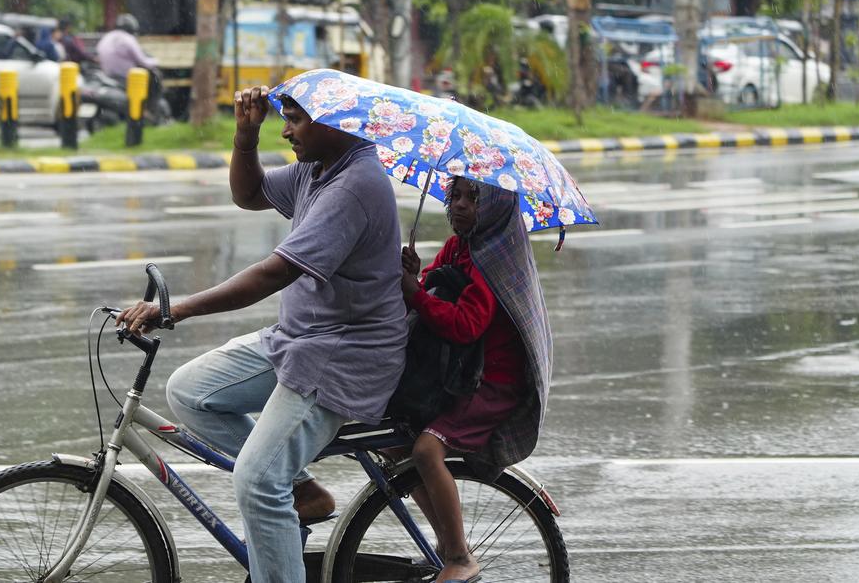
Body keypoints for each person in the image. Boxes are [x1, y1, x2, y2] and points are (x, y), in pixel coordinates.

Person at [117, 86, 408, 583]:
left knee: (256, 479)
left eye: (295, 120)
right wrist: (245, 138)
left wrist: (175, 310)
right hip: (298, 338)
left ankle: (280, 494)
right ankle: (301, 491)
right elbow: (249, 195)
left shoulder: (352, 186)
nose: (286, 130)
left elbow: (272, 275)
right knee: (191, 392)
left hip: (340, 355)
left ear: (334, 124)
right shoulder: (319, 168)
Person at [396, 175, 554, 583]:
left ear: (498, 208)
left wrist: (415, 293)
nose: (461, 205)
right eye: (456, 195)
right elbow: (436, 283)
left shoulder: (493, 260)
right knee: (397, 447)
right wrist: (418, 276)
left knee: (427, 451)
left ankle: (460, 558)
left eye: (475, 198)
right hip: (462, 373)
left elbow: (466, 324)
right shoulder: (459, 246)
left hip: (493, 382)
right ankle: (451, 542)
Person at [96, 13, 158, 82]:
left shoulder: (108, 36)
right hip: (125, 77)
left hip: (107, 75)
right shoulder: (128, 39)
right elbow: (142, 61)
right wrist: (155, 61)